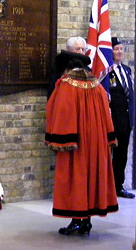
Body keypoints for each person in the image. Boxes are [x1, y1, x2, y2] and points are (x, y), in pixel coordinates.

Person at [45, 50, 118, 235]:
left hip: (77, 142)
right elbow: (107, 116)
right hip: (97, 143)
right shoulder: (97, 86)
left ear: (66, 68)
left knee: (76, 178)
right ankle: (87, 220)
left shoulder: (66, 85)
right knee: (93, 178)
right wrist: (108, 139)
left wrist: (58, 140)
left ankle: (77, 220)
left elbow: (59, 113)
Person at [108, 37, 135, 199]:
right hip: (112, 120)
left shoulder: (126, 70)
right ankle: (107, 187)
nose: (119, 52)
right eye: (116, 49)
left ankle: (118, 186)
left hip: (126, 120)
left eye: (121, 49)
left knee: (121, 155)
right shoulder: (106, 71)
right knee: (108, 155)